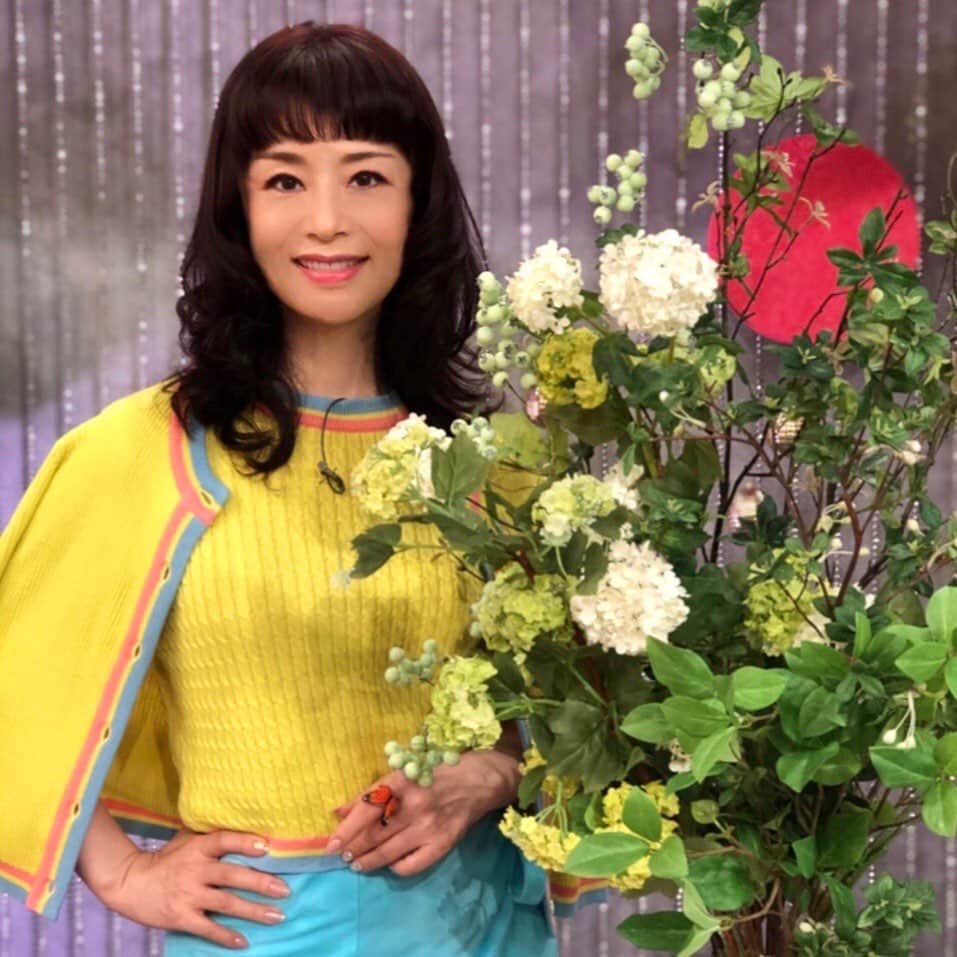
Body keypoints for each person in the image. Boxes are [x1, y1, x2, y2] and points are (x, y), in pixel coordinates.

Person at [0, 21, 605, 957]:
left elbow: (592, 715)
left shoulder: (500, 461)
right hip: (262, 937)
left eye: (365, 176)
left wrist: (485, 774)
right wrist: (122, 873)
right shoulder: (141, 452)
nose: (326, 219)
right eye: (285, 180)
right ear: (237, 208)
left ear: (417, 203)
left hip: (479, 927)